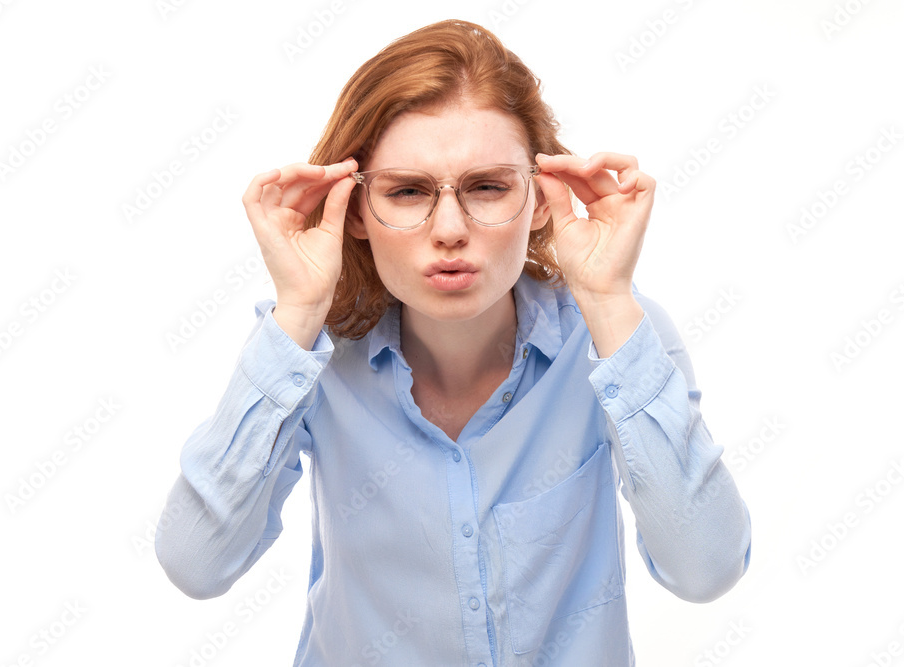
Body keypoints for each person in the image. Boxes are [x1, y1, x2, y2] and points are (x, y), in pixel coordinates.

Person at [155, 18, 751, 667]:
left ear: (543, 198)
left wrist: (609, 301)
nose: (448, 230)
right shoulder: (311, 353)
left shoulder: (616, 337)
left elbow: (706, 570)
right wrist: (297, 311)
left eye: (487, 186)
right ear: (354, 209)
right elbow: (196, 563)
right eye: (407, 191)